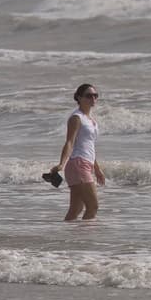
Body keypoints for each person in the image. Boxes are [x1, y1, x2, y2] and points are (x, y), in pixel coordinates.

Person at [50, 84, 106, 220]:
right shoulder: (76, 118)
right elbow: (70, 142)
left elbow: (89, 146)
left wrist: (97, 169)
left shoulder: (91, 120)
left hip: (85, 163)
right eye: (89, 96)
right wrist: (61, 164)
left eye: (95, 95)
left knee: (76, 209)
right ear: (79, 98)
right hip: (78, 164)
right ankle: (87, 233)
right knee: (93, 206)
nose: (93, 98)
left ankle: (69, 232)